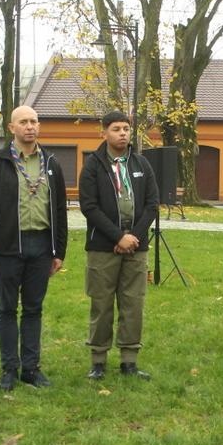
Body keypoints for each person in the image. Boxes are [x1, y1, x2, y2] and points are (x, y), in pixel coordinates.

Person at [0, 105, 68, 390]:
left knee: (33, 308)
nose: (30, 126)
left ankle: (31, 368)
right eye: (24, 122)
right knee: (6, 308)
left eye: (34, 121)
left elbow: (60, 209)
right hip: (8, 246)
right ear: (11, 127)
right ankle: (9, 369)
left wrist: (59, 251)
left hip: (41, 245)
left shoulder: (51, 163)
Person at [79, 110, 159, 381]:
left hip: (136, 247)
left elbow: (152, 204)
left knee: (133, 304)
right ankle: (98, 361)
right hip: (103, 247)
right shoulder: (93, 165)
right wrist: (117, 237)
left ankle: (129, 361)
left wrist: (133, 237)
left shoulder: (141, 164)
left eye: (126, 128)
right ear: (104, 133)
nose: (122, 133)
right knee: (101, 305)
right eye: (116, 129)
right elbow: (89, 206)